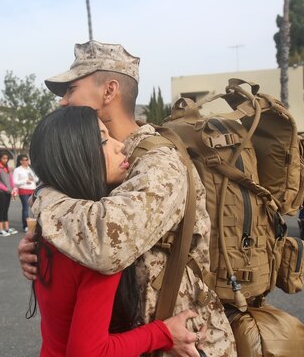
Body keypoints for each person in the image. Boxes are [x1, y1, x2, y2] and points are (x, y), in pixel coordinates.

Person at [19, 40, 236, 356]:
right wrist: (41, 248)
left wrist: (44, 197)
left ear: (108, 91)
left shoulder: (158, 162)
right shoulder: (103, 164)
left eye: (70, 90)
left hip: (183, 340)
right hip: (137, 339)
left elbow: (105, 243)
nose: (63, 102)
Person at [28, 105, 207, 356]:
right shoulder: (98, 243)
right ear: (76, 155)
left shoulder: (53, 227)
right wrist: (164, 333)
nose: (119, 145)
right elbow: (88, 352)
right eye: (103, 139)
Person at [0, 151, 18, 237]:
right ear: (0, 158)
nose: (5, 160)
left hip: (8, 192)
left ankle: (7, 228)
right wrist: (6, 189)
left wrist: (14, 187)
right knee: (2, 209)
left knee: (6, 210)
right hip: (1, 192)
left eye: (7, 158)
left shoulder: (6, 167)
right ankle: (0, 230)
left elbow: (11, 179)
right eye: (4, 158)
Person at [13, 154, 38, 232]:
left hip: (33, 190)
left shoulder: (30, 169)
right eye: (25, 160)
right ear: (21, 161)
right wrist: (25, 181)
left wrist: (33, 179)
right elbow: (15, 181)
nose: (27, 161)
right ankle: (25, 225)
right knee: (26, 208)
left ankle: (34, 225)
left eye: (28, 159)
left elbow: (37, 179)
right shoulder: (17, 170)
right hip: (23, 190)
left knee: (35, 208)